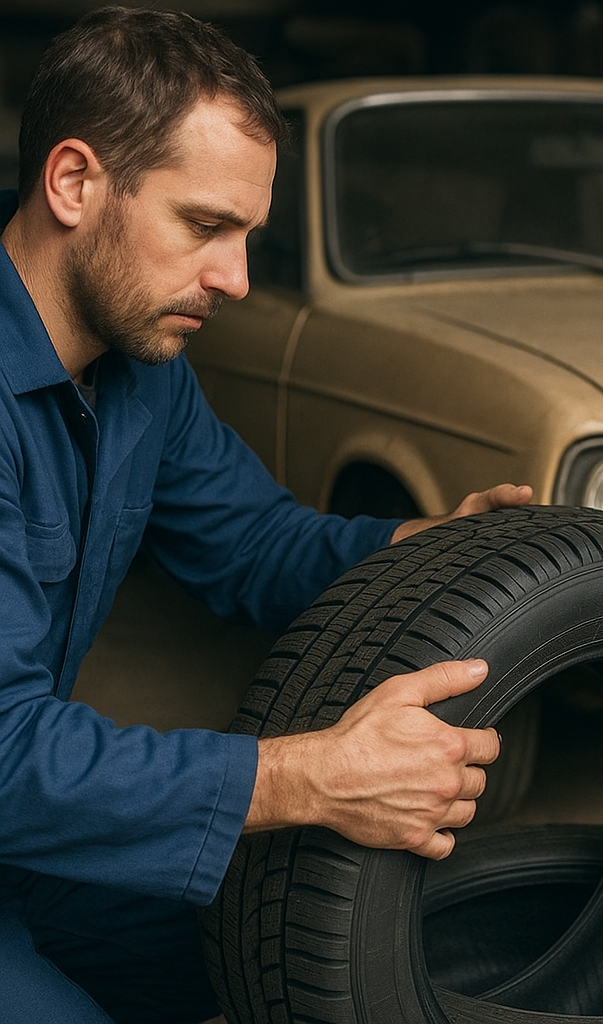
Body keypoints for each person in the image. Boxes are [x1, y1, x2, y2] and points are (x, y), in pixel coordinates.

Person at [0, 7, 532, 1022]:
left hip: (25, 848)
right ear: (74, 183)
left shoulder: (141, 373)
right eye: (205, 226)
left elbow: (251, 542)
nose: (235, 279)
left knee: (283, 942)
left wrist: (418, 550)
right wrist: (310, 776)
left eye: (247, 236)